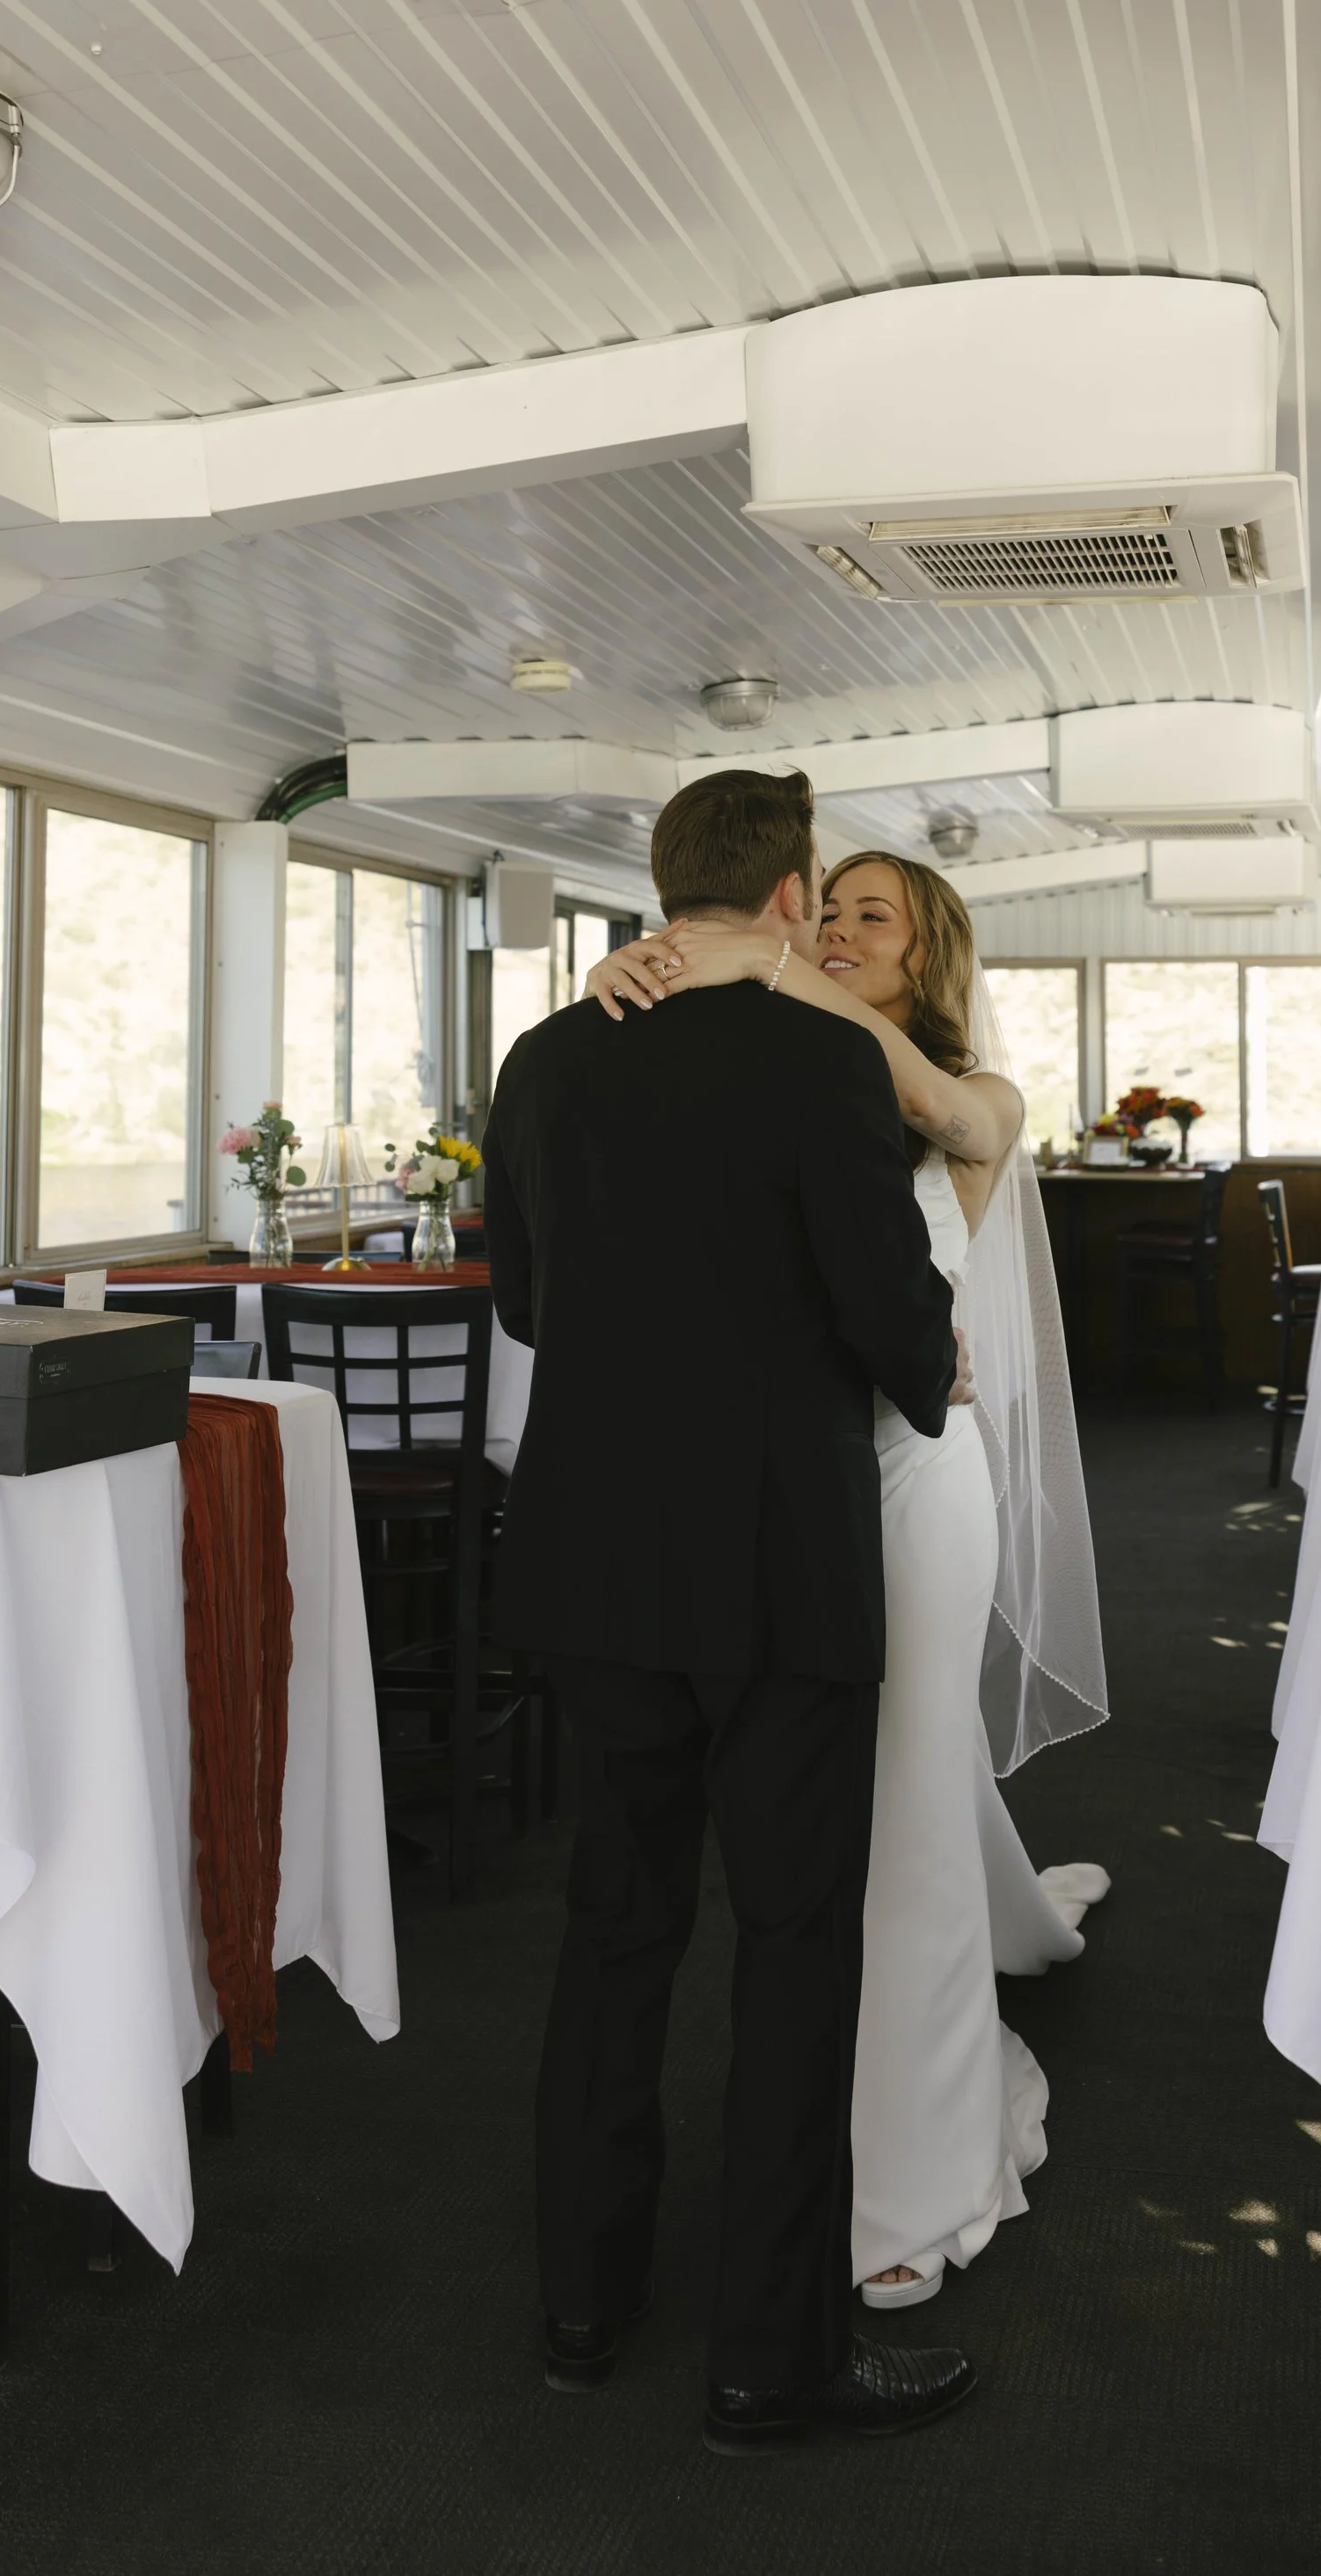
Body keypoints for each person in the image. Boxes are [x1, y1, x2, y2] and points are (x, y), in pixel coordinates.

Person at [480, 769, 978, 2455]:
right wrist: (924, 1351)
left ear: (662, 886)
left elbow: (526, 1301)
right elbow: (888, 1311)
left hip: (591, 1556)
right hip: (778, 1564)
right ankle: (770, 2358)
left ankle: (582, 2301)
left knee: (615, 1930)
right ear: (786, 894)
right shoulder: (820, 1058)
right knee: (792, 1946)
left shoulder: (545, 1059)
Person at [589, 848, 1109, 2309]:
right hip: (783, 1490)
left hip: (917, 1479)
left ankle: (915, 2181)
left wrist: (756, 960)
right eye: (823, 911)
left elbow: (945, 1115)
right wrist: (628, 977)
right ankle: (964, 1970)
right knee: (832, 1810)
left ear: (927, 955)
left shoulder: (974, 1100)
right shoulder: (779, 1069)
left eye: (870, 917)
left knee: (904, 1813)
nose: (834, 931)